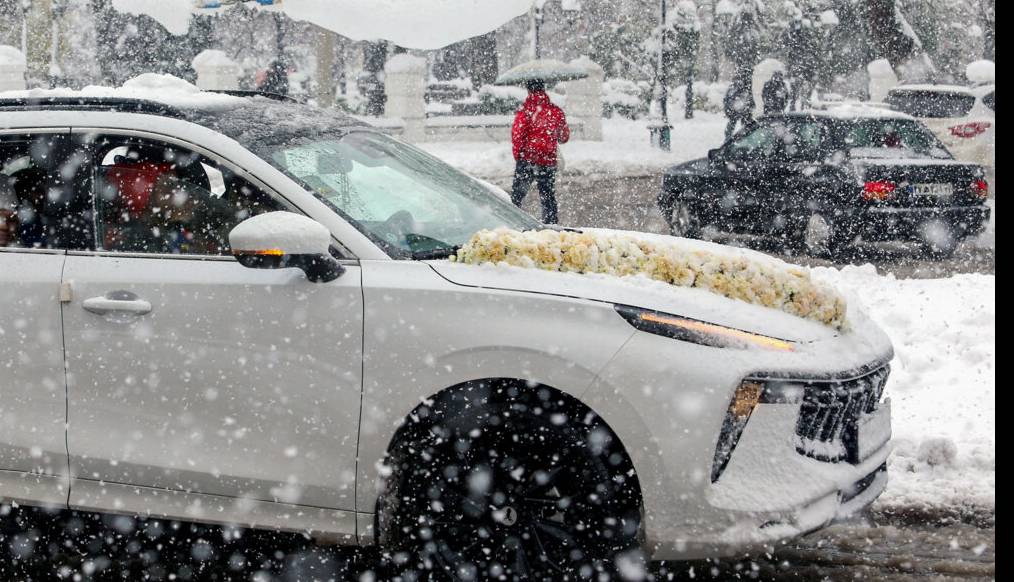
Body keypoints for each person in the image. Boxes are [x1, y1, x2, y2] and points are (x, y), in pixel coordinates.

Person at [510, 79, 570, 224]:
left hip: (527, 159)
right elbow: (564, 137)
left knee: (517, 196)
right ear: (544, 89)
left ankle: (510, 222)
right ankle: (551, 224)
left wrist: (520, 157)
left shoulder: (525, 112)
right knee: (548, 195)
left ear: (528, 90)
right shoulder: (555, 111)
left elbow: (517, 137)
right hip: (548, 160)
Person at [723, 77, 754, 141]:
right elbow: (749, 99)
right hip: (740, 110)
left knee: (733, 124)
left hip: (737, 110)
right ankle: (747, 137)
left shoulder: (733, 88)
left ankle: (729, 138)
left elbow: (726, 99)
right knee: (744, 124)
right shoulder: (743, 89)